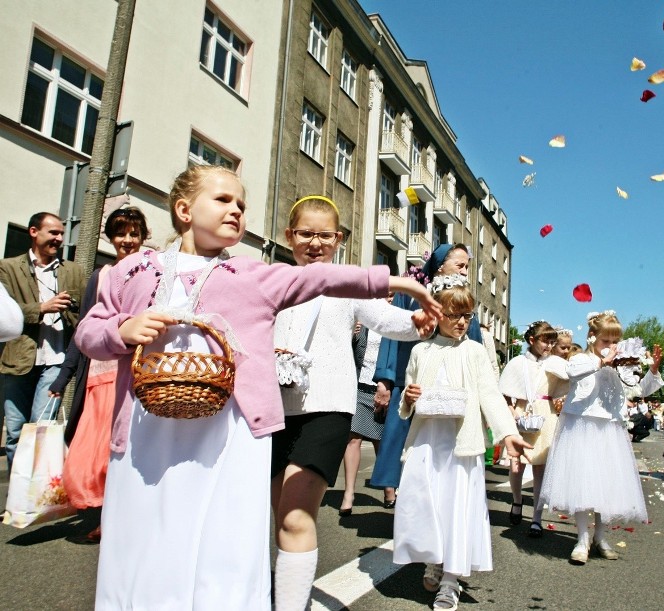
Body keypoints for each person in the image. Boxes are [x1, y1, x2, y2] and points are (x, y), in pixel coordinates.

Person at [73, 166, 440, 609]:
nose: (236, 210)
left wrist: (396, 284)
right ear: (184, 210)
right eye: (224, 200)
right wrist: (122, 328)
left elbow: (322, 280)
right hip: (150, 431)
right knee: (148, 538)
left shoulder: (250, 275)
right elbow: (89, 333)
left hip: (237, 429)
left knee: (234, 536)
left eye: (242, 205)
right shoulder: (132, 270)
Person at [271, 196, 434, 611]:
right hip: (270, 408)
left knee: (296, 513)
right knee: (277, 515)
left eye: (325, 235)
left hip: (326, 406)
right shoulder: (274, 278)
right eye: (305, 233)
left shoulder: (346, 285)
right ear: (289, 236)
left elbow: (386, 318)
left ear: (339, 240)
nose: (315, 243)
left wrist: (416, 323)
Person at [392, 274, 530, 610]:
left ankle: (451, 579)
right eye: (455, 315)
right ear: (438, 314)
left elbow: (490, 395)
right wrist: (409, 399)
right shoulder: (421, 351)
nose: (463, 322)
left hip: (460, 442)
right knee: (428, 503)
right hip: (427, 440)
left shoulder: (475, 352)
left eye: (467, 315)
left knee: (456, 505)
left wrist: (508, 433)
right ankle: (434, 559)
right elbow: (406, 401)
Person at [47, 206, 150, 542]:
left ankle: (127, 518)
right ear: (110, 236)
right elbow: (84, 332)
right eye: (121, 233)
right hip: (100, 376)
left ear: (143, 237)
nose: (128, 240)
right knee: (96, 455)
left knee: (131, 451)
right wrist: (63, 378)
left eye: (134, 233)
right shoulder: (101, 276)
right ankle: (109, 516)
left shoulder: (153, 271)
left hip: (138, 375)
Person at [540, 311, 664, 564]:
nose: (611, 346)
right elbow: (573, 374)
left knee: (606, 483)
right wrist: (602, 362)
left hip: (609, 429)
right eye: (606, 341)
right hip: (582, 427)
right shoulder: (581, 359)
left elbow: (640, 390)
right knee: (583, 482)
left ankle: (600, 536)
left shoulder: (622, 365)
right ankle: (582, 538)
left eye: (615, 341)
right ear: (592, 337)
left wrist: (652, 370)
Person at [370, 243, 482, 506]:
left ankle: (440, 490)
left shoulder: (462, 296)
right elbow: (391, 336)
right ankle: (394, 487)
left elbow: (472, 340)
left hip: (449, 382)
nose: (465, 271)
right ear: (441, 264)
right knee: (401, 437)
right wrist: (385, 380)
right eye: (460, 265)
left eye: (467, 266)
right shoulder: (410, 292)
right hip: (409, 379)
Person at [0, 212, 84, 468]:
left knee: (40, 428)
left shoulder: (72, 270)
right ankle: (18, 492)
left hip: (55, 361)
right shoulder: (8, 267)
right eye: (53, 233)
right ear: (34, 232)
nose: (59, 238)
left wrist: (73, 307)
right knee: (15, 431)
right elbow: (6, 311)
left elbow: (83, 311)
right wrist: (41, 308)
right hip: (17, 360)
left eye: (61, 233)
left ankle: (33, 498)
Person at [498, 320, 557, 535]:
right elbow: (504, 389)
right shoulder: (518, 363)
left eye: (552, 342)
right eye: (545, 341)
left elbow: (565, 384)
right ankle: (516, 500)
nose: (549, 346)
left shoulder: (554, 363)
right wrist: (510, 408)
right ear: (531, 340)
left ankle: (537, 517)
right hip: (524, 412)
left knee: (540, 467)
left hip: (546, 414)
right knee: (517, 465)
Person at [339, 294, 395, 518]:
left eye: (393, 295)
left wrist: (389, 387)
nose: (389, 299)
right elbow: (344, 350)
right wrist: (350, 333)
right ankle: (349, 493)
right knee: (353, 439)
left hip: (385, 389)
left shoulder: (396, 323)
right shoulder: (363, 320)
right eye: (385, 295)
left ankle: (388, 488)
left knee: (382, 441)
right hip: (358, 386)